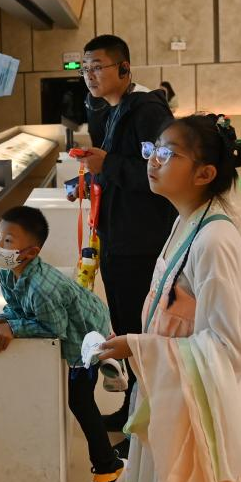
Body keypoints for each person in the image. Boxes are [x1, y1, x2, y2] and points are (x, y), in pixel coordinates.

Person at [99, 114, 241, 482]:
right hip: (178, 390)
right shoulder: (187, 221)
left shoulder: (214, 240)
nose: (153, 161)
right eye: (152, 150)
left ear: (204, 173)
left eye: (168, 153)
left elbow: (228, 348)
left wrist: (142, 349)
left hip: (201, 402)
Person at [0, 206, 126, 482]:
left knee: (80, 401)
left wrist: (14, 328)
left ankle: (109, 468)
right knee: (77, 396)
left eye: (8, 241)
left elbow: (54, 329)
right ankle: (106, 360)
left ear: (31, 252)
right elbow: (16, 307)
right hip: (75, 320)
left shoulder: (42, 289)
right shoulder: (7, 272)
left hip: (83, 336)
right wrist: (0, 322)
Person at [78, 35, 178, 435]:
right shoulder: (114, 110)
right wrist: (91, 177)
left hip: (141, 242)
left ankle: (150, 419)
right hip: (117, 238)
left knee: (140, 330)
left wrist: (109, 165)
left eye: (98, 67)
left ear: (124, 68)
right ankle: (133, 409)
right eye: (85, 69)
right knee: (125, 327)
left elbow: (164, 172)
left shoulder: (147, 111)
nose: (90, 76)